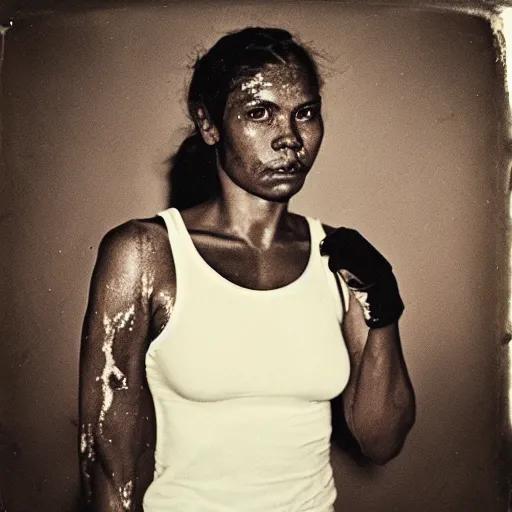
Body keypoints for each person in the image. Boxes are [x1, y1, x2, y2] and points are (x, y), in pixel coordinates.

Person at [78, 27, 415, 512]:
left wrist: (383, 307)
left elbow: (382, 442)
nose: (290, 139)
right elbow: (108, 469)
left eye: (306, 113)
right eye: (260, 113)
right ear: (209, 124)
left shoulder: (339, 258)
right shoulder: (146, 254)